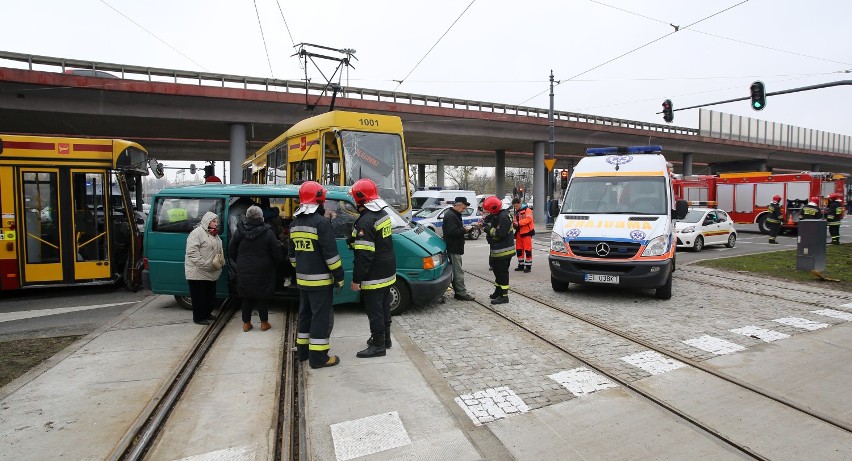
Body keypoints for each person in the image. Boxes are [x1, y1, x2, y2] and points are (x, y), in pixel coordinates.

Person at [289, 182, 344, 368]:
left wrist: (302, 268)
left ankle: (303, 352)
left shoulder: (294, 223)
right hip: (320, 282)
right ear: (319, 200)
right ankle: (319, 358)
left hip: (302, 280)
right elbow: (331, 255)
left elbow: (292, 255)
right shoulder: (321, 224)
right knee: (320, 317)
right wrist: (339, 276)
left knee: (304, 315)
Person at [349, 178, 396, 358]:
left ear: (358, 198)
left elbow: (364, 256)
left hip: (374, 274)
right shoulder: (382, 214)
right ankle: (386, 339)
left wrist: (356, 279)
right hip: (388, 270)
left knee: (374, 311)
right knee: (384, 306)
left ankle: (378, 346)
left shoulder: (365, 222)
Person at [230, 205, 283, 332]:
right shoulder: (268, 232)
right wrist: (277, 264)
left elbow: (231, 249)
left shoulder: (239, 231)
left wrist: (240, 261)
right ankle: (264, 323)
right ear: (261, 217)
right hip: (263, 269)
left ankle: (246, 323)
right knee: (262, 296)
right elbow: (276, 253)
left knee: (246, 296)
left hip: (244, 268)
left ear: (247, 217)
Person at [184, 211, 223, 325]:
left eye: (217, 221)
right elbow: (191, 252)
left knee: (209, 296)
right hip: (198, 271)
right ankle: (198, 318)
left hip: (211, 270)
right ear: (207, 221)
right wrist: (204, 264)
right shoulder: (196, 233)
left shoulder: (214, 234)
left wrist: (220, 261)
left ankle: (206, 314)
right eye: (214, 221)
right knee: (198, 297)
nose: (216, 224)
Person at [482, 196, 515, 305]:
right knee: (497, 272)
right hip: (497, 250)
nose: (488, 212)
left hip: (503, 251)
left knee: (502, 274)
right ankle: (498, 291)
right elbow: (490, 219)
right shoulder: (498, 214)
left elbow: (499, 233)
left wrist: (487, 229)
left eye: (489, 210)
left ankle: (504, 296)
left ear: (495, 208)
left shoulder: (503, 217)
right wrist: (483, 222)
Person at [442, 197, 475, 301]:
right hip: (454, 247)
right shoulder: (451, 216)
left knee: (457, 271)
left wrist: (466, 230)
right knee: (458, 271)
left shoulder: (453, 214)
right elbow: (452, 232)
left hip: (454, 246)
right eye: (463, 208)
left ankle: (458, 291)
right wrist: (464, 229)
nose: (464, 210)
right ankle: (461, 293)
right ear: (458, 205)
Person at [511, 198, 534, 272]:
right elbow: (515, 220)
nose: (516, 207)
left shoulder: (527, 210)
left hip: (526, 232)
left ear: (520, 203)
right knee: (519, 250)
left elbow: (529, 219)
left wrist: (519, 223)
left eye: (516, 206)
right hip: (519, 233)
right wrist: (514, 224)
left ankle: (528, 266)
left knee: (527, 250)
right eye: (514, 206)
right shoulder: (517, 212)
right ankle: (521, 265)